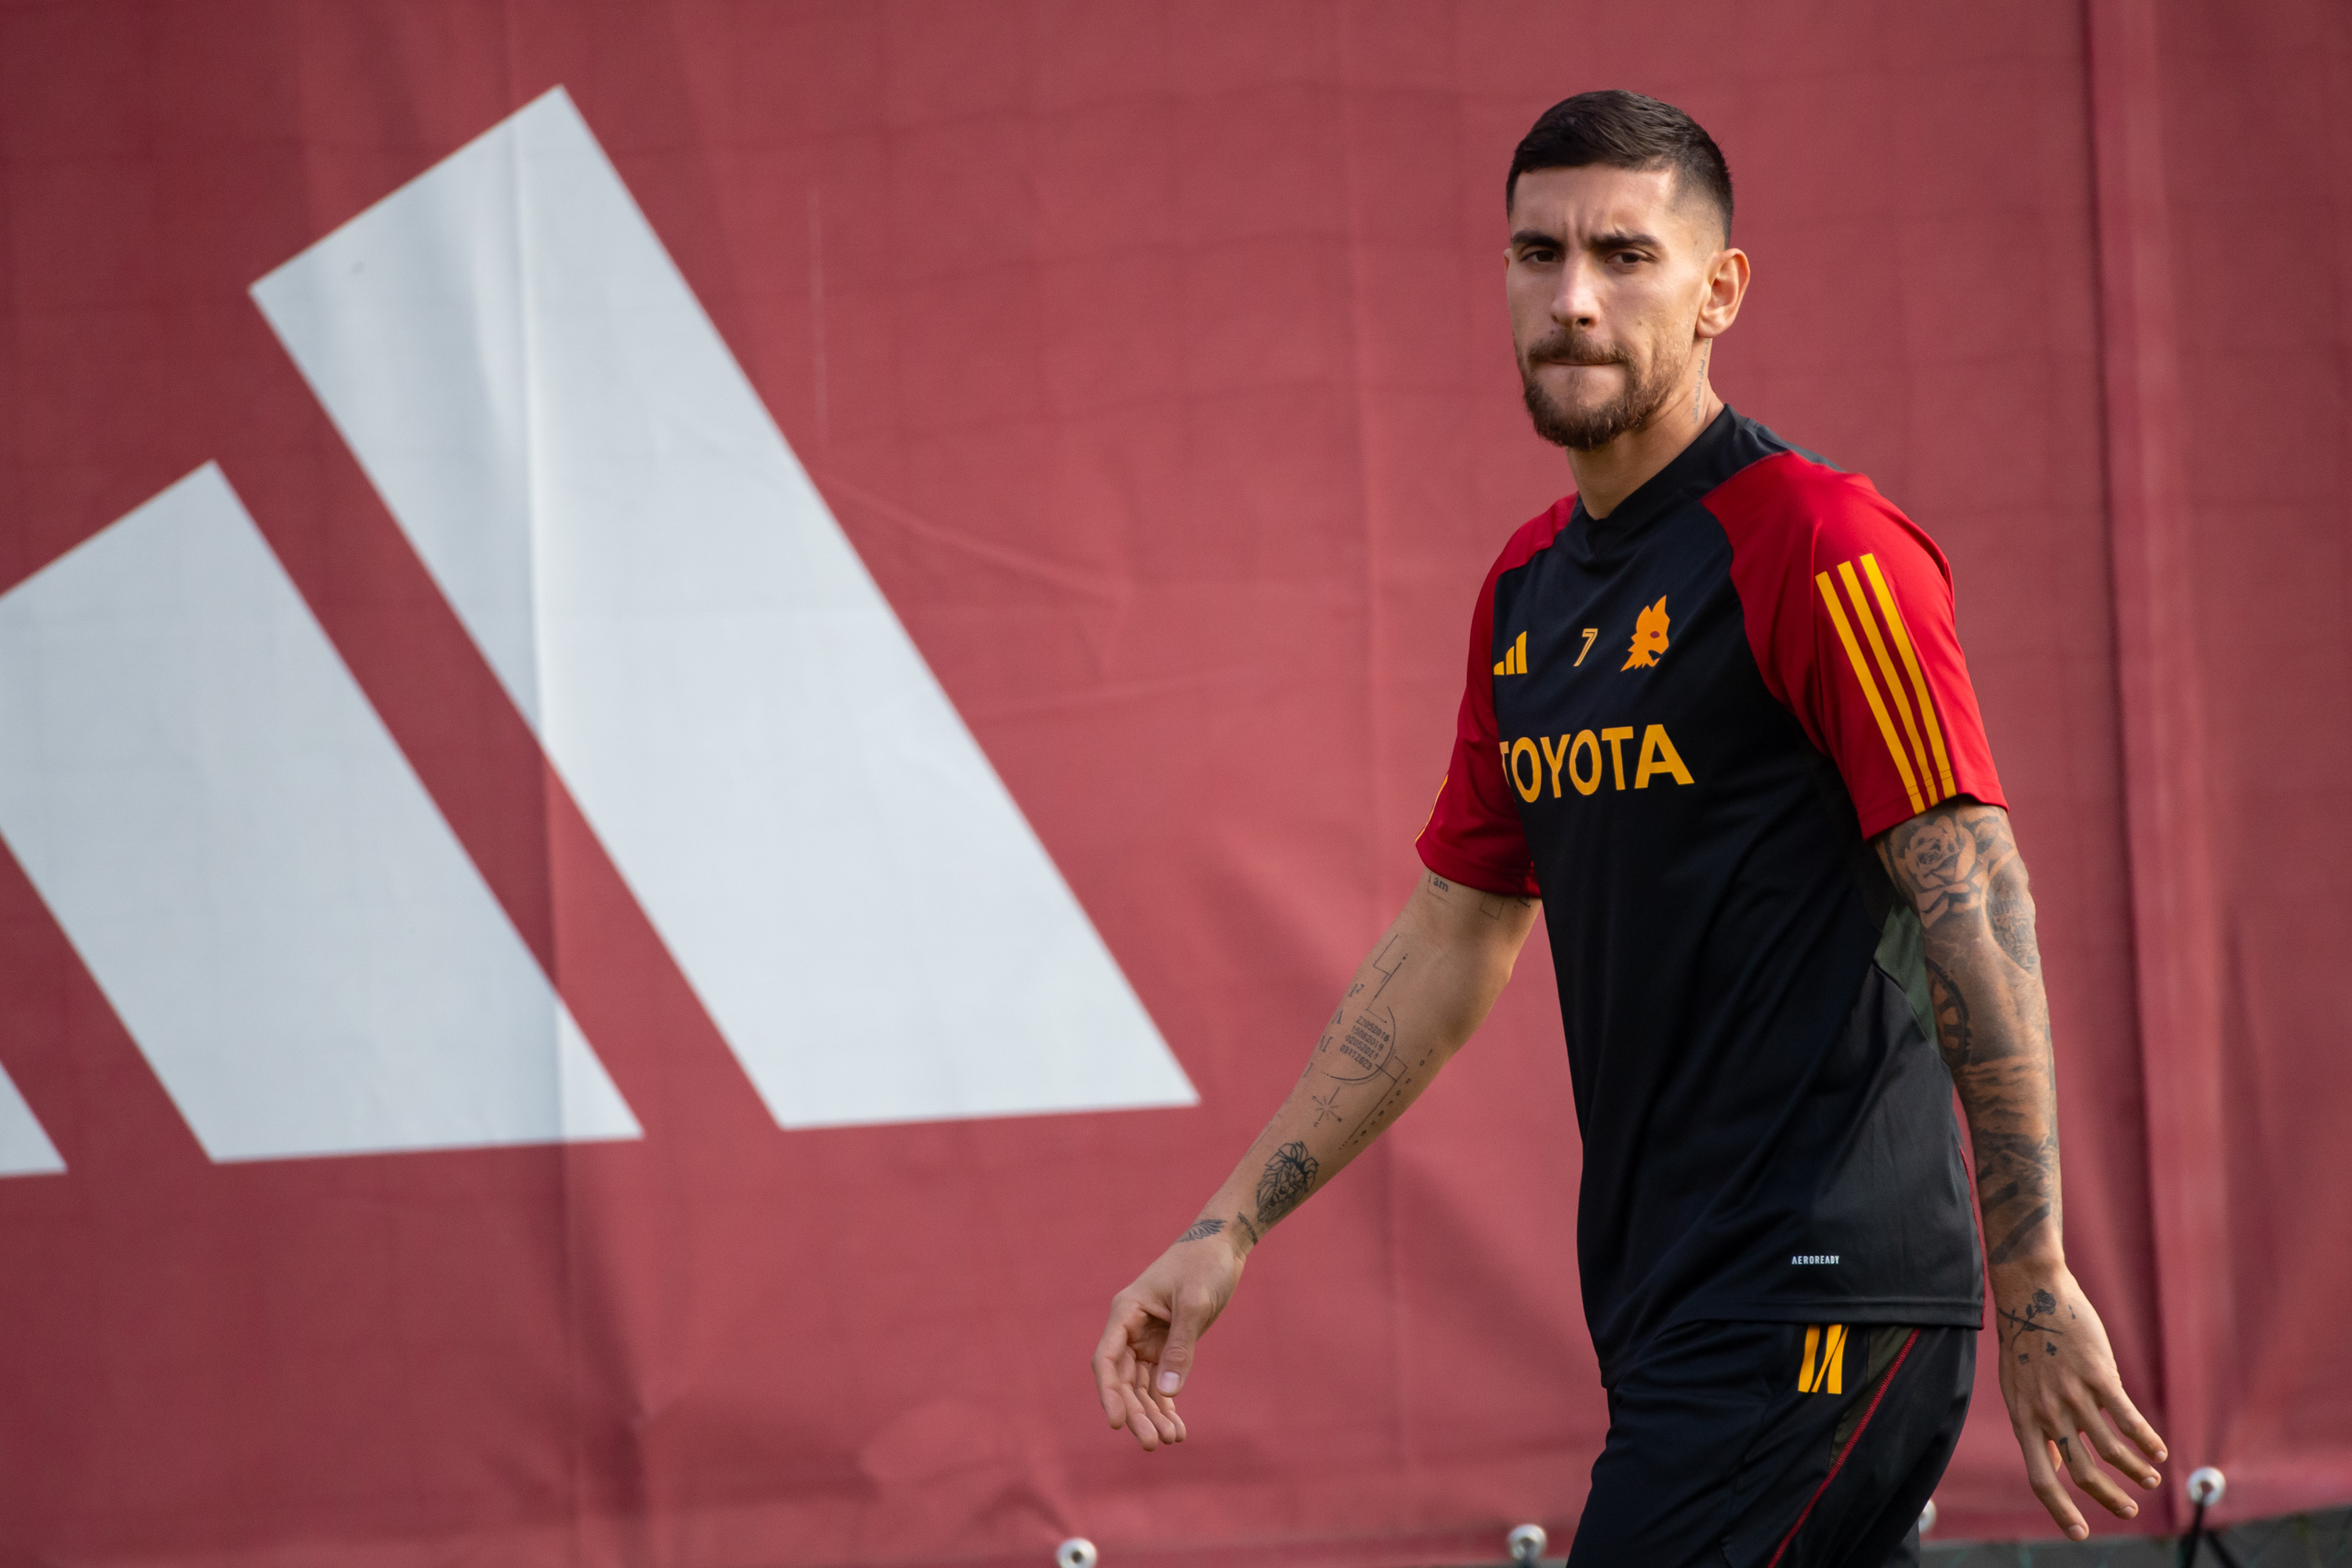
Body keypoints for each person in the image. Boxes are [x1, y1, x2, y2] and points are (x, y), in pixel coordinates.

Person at [1090, 90, 2169, 1565]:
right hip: (1670, 1301)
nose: (1573, 298)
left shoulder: (1820, 544)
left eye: (1625, 255)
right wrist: (1231, 1225)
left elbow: (1976, 896)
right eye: (1537, 255)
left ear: (1721, 288)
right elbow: (1456, 931)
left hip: (1813, 1296)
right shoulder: (1527, 591)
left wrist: (2034, 1271)